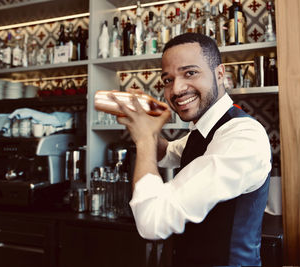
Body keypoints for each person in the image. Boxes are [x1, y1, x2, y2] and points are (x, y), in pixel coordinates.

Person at [111, 33, 272, 267]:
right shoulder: (203, 131)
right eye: (167, 80)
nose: (176, 89)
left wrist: (144, 138)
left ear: (219, 74)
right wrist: (146, 122)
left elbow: (151, 222)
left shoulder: (242, 137)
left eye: (190, 73)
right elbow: (167, 153)